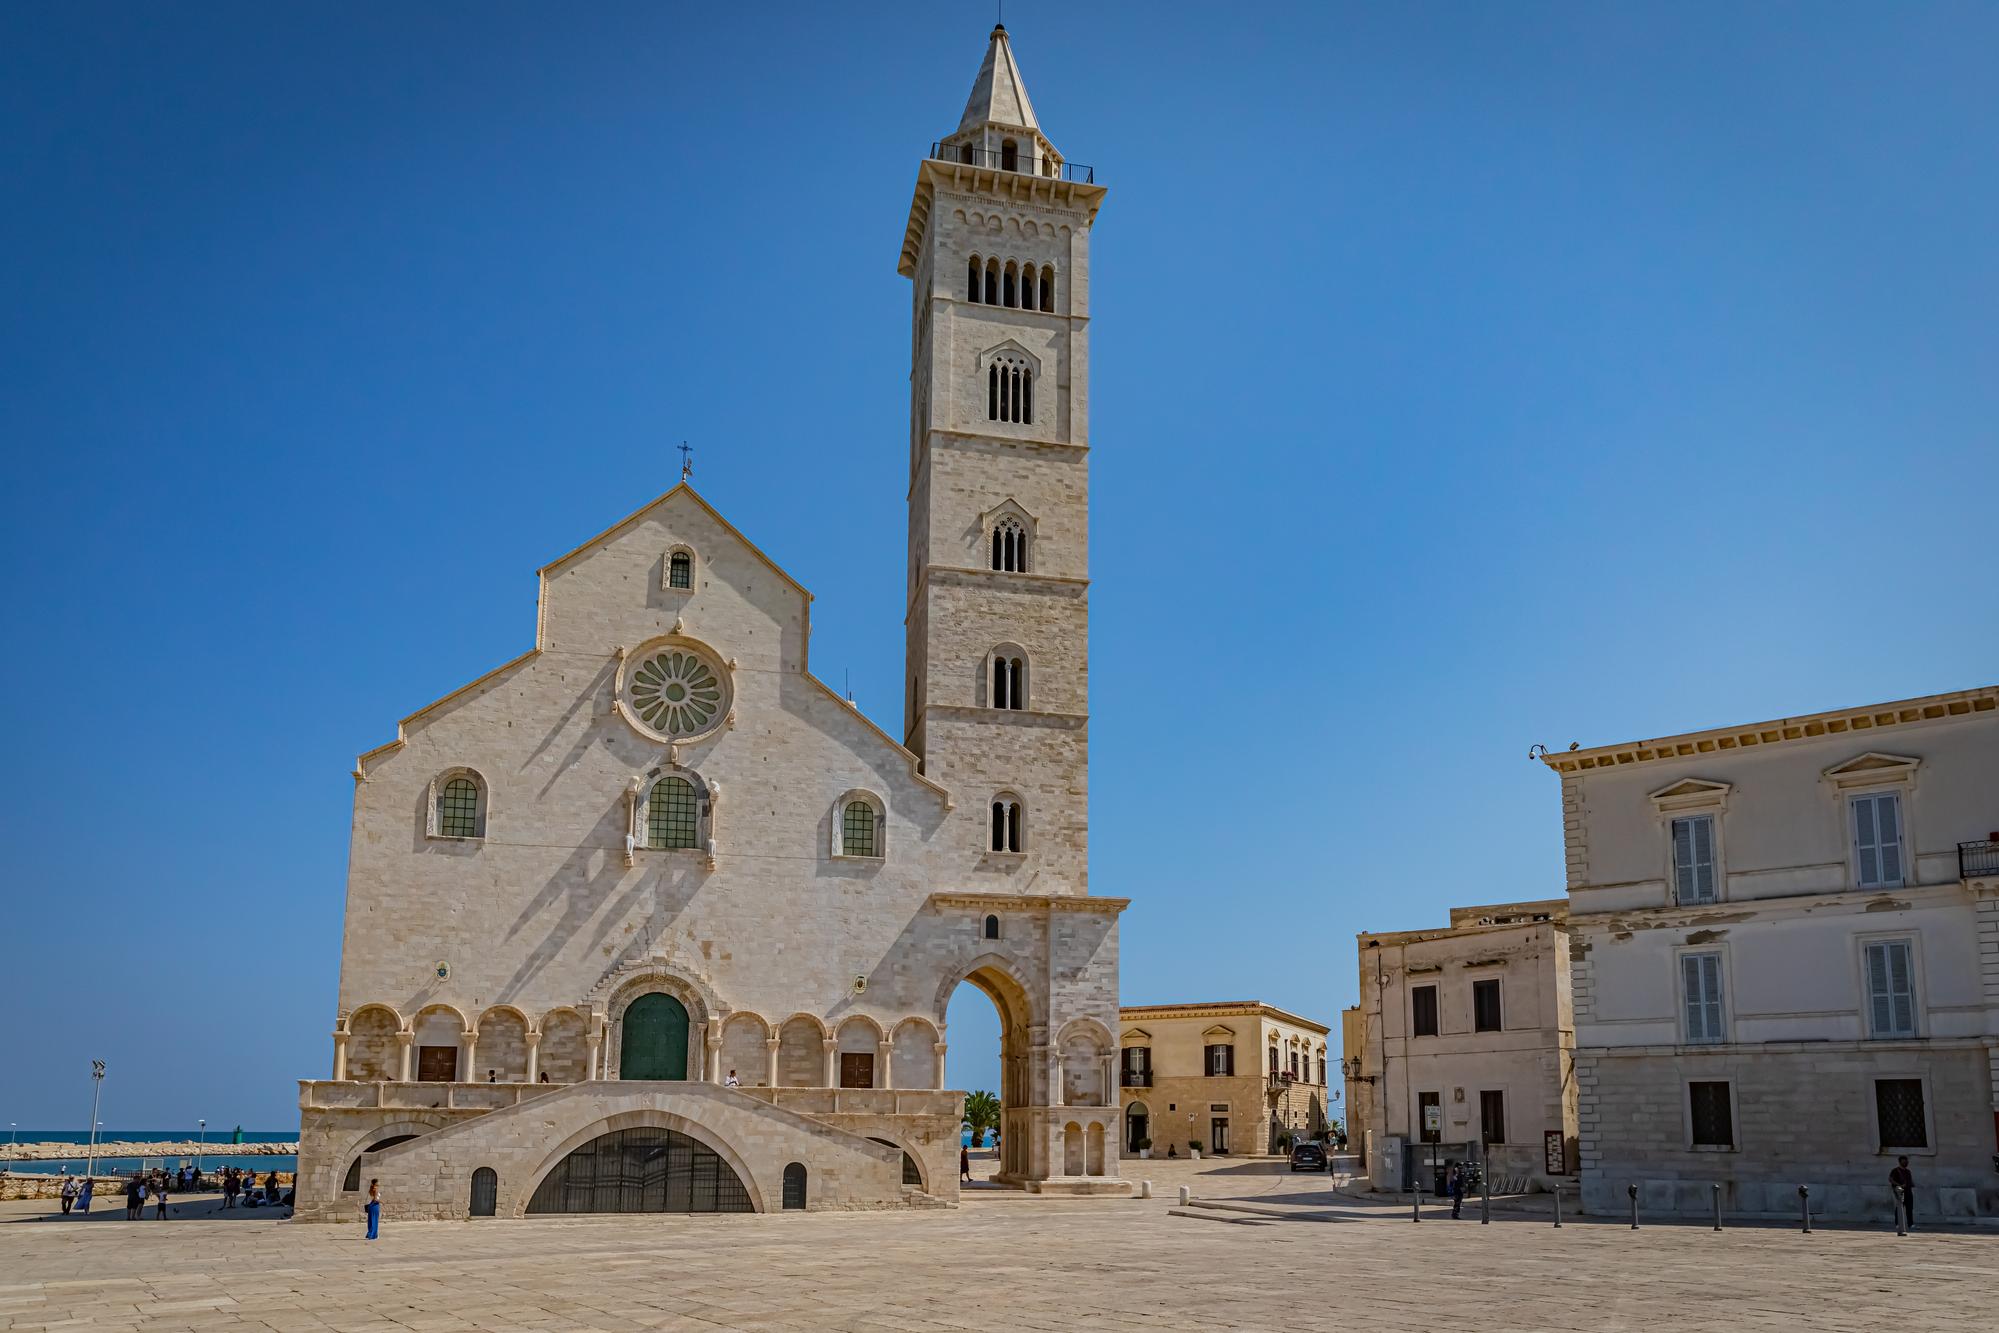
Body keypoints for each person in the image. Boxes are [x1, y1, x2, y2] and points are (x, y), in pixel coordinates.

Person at [1889, 1155, 1916, 1228]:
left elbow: (1910, 1180)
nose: (1906, 1163)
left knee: (1909, 1208)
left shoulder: (1908, 1171)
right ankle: (1897, 1223)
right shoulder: (1895, 1170)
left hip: (1908, 1191)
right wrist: (1900, 1185)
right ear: (1900, 1162)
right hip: (1900, 1192)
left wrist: (1912, 1184)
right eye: (1904, 1161)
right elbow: (1891, 1180)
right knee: (1899, 1208)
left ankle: (1910, 1224)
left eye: (1906, 1161)